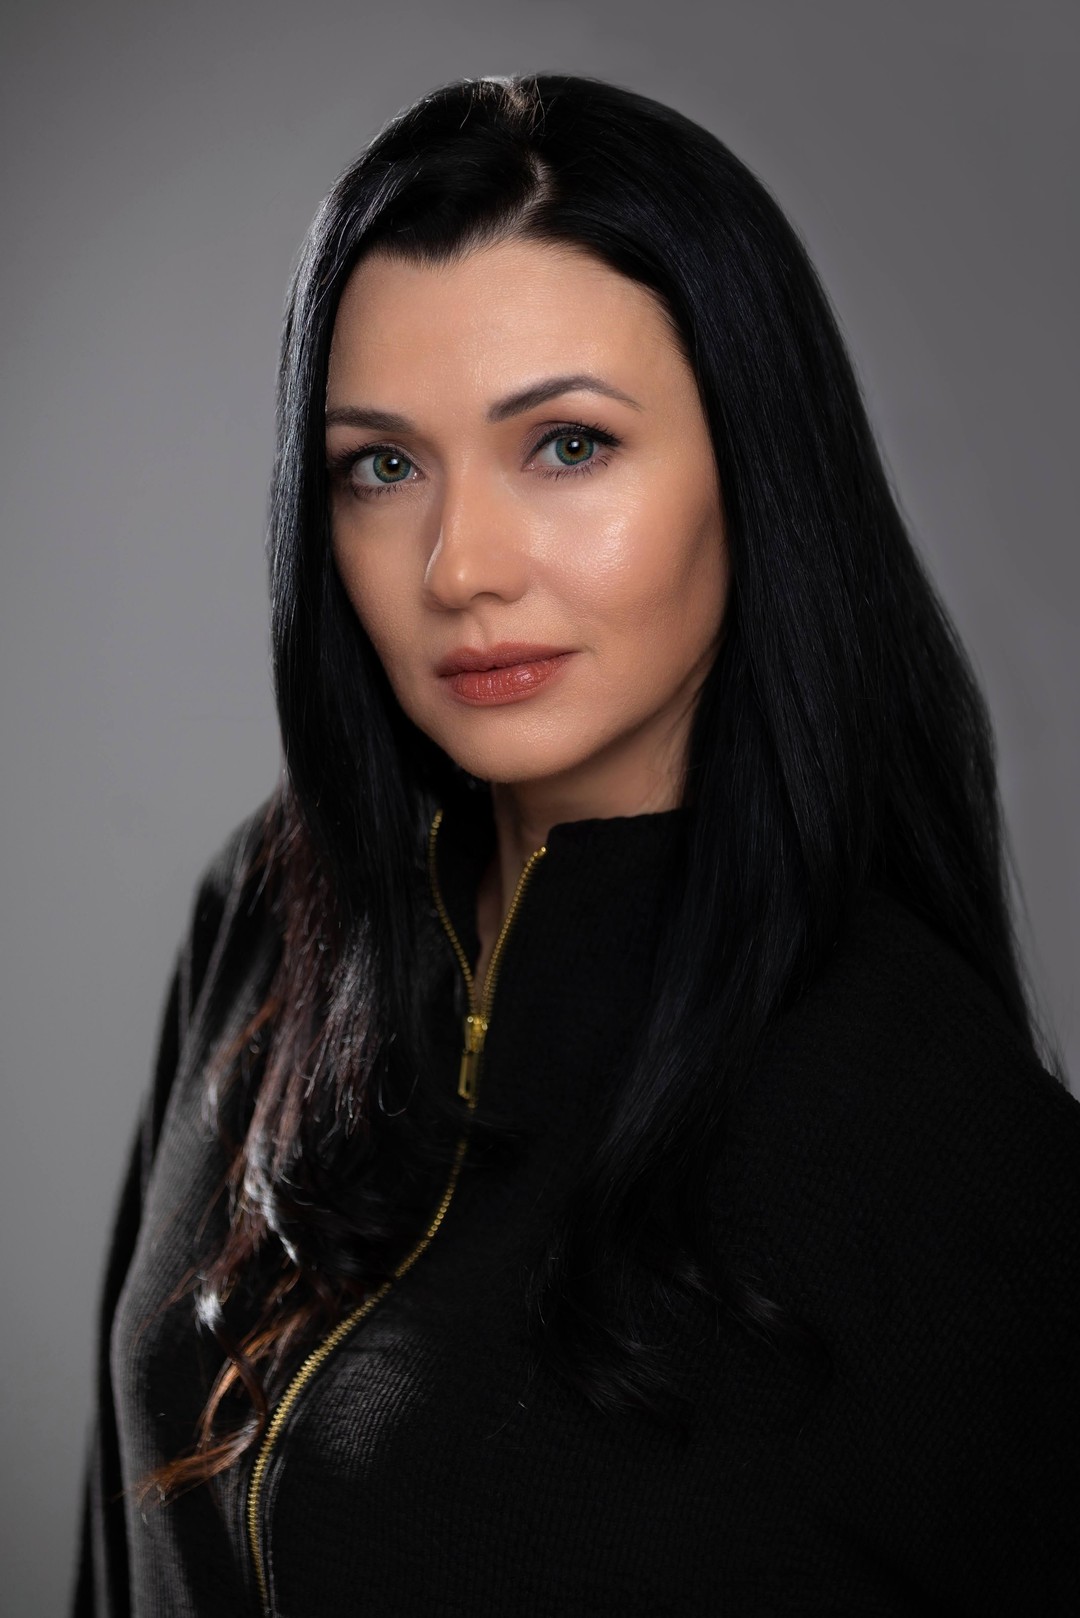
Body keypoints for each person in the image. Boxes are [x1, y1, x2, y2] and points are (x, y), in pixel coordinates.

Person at [73, 72, 1080, 1617]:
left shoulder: (939, 1128)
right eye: (382, 466)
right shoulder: (270, 917)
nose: (461, 567)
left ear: (752, 464)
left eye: (566, 446)